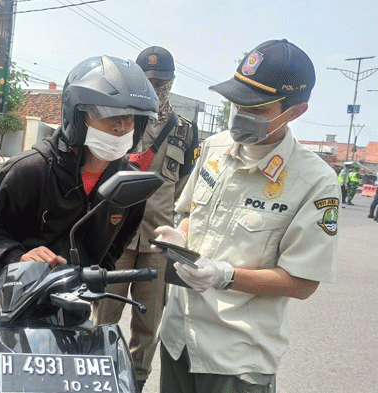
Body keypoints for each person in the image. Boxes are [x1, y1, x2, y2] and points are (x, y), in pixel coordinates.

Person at [156, 39, 339, 393]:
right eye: (237, 102)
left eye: (256, 109)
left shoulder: (314, 182)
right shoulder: (215, 147)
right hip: (178, 337)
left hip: (236, 358)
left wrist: (225, 275)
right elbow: (193, 213)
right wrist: (180, 236)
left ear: (295, 112)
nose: (241, 114)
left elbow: (302, 282)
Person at [0, 55, 159, 273]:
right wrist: (17, 257)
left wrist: (96, 273)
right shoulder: (30, 170)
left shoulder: (128, 185)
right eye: (110, 113)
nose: (121, 127)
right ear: (77, 116)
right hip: (15, 295)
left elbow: (118, 242)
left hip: (75, 299)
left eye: (130, 117)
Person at [92, 46, 198, 392]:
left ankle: (136, 380)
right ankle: (97, 374)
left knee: (148, 322)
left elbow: (186, 192)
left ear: (172, 82)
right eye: (149, 81)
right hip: (116, 237)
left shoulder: (185, 131)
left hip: (158, 243)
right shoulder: (119, 122)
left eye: (163, 82)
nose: (157, 88)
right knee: (103, 315)